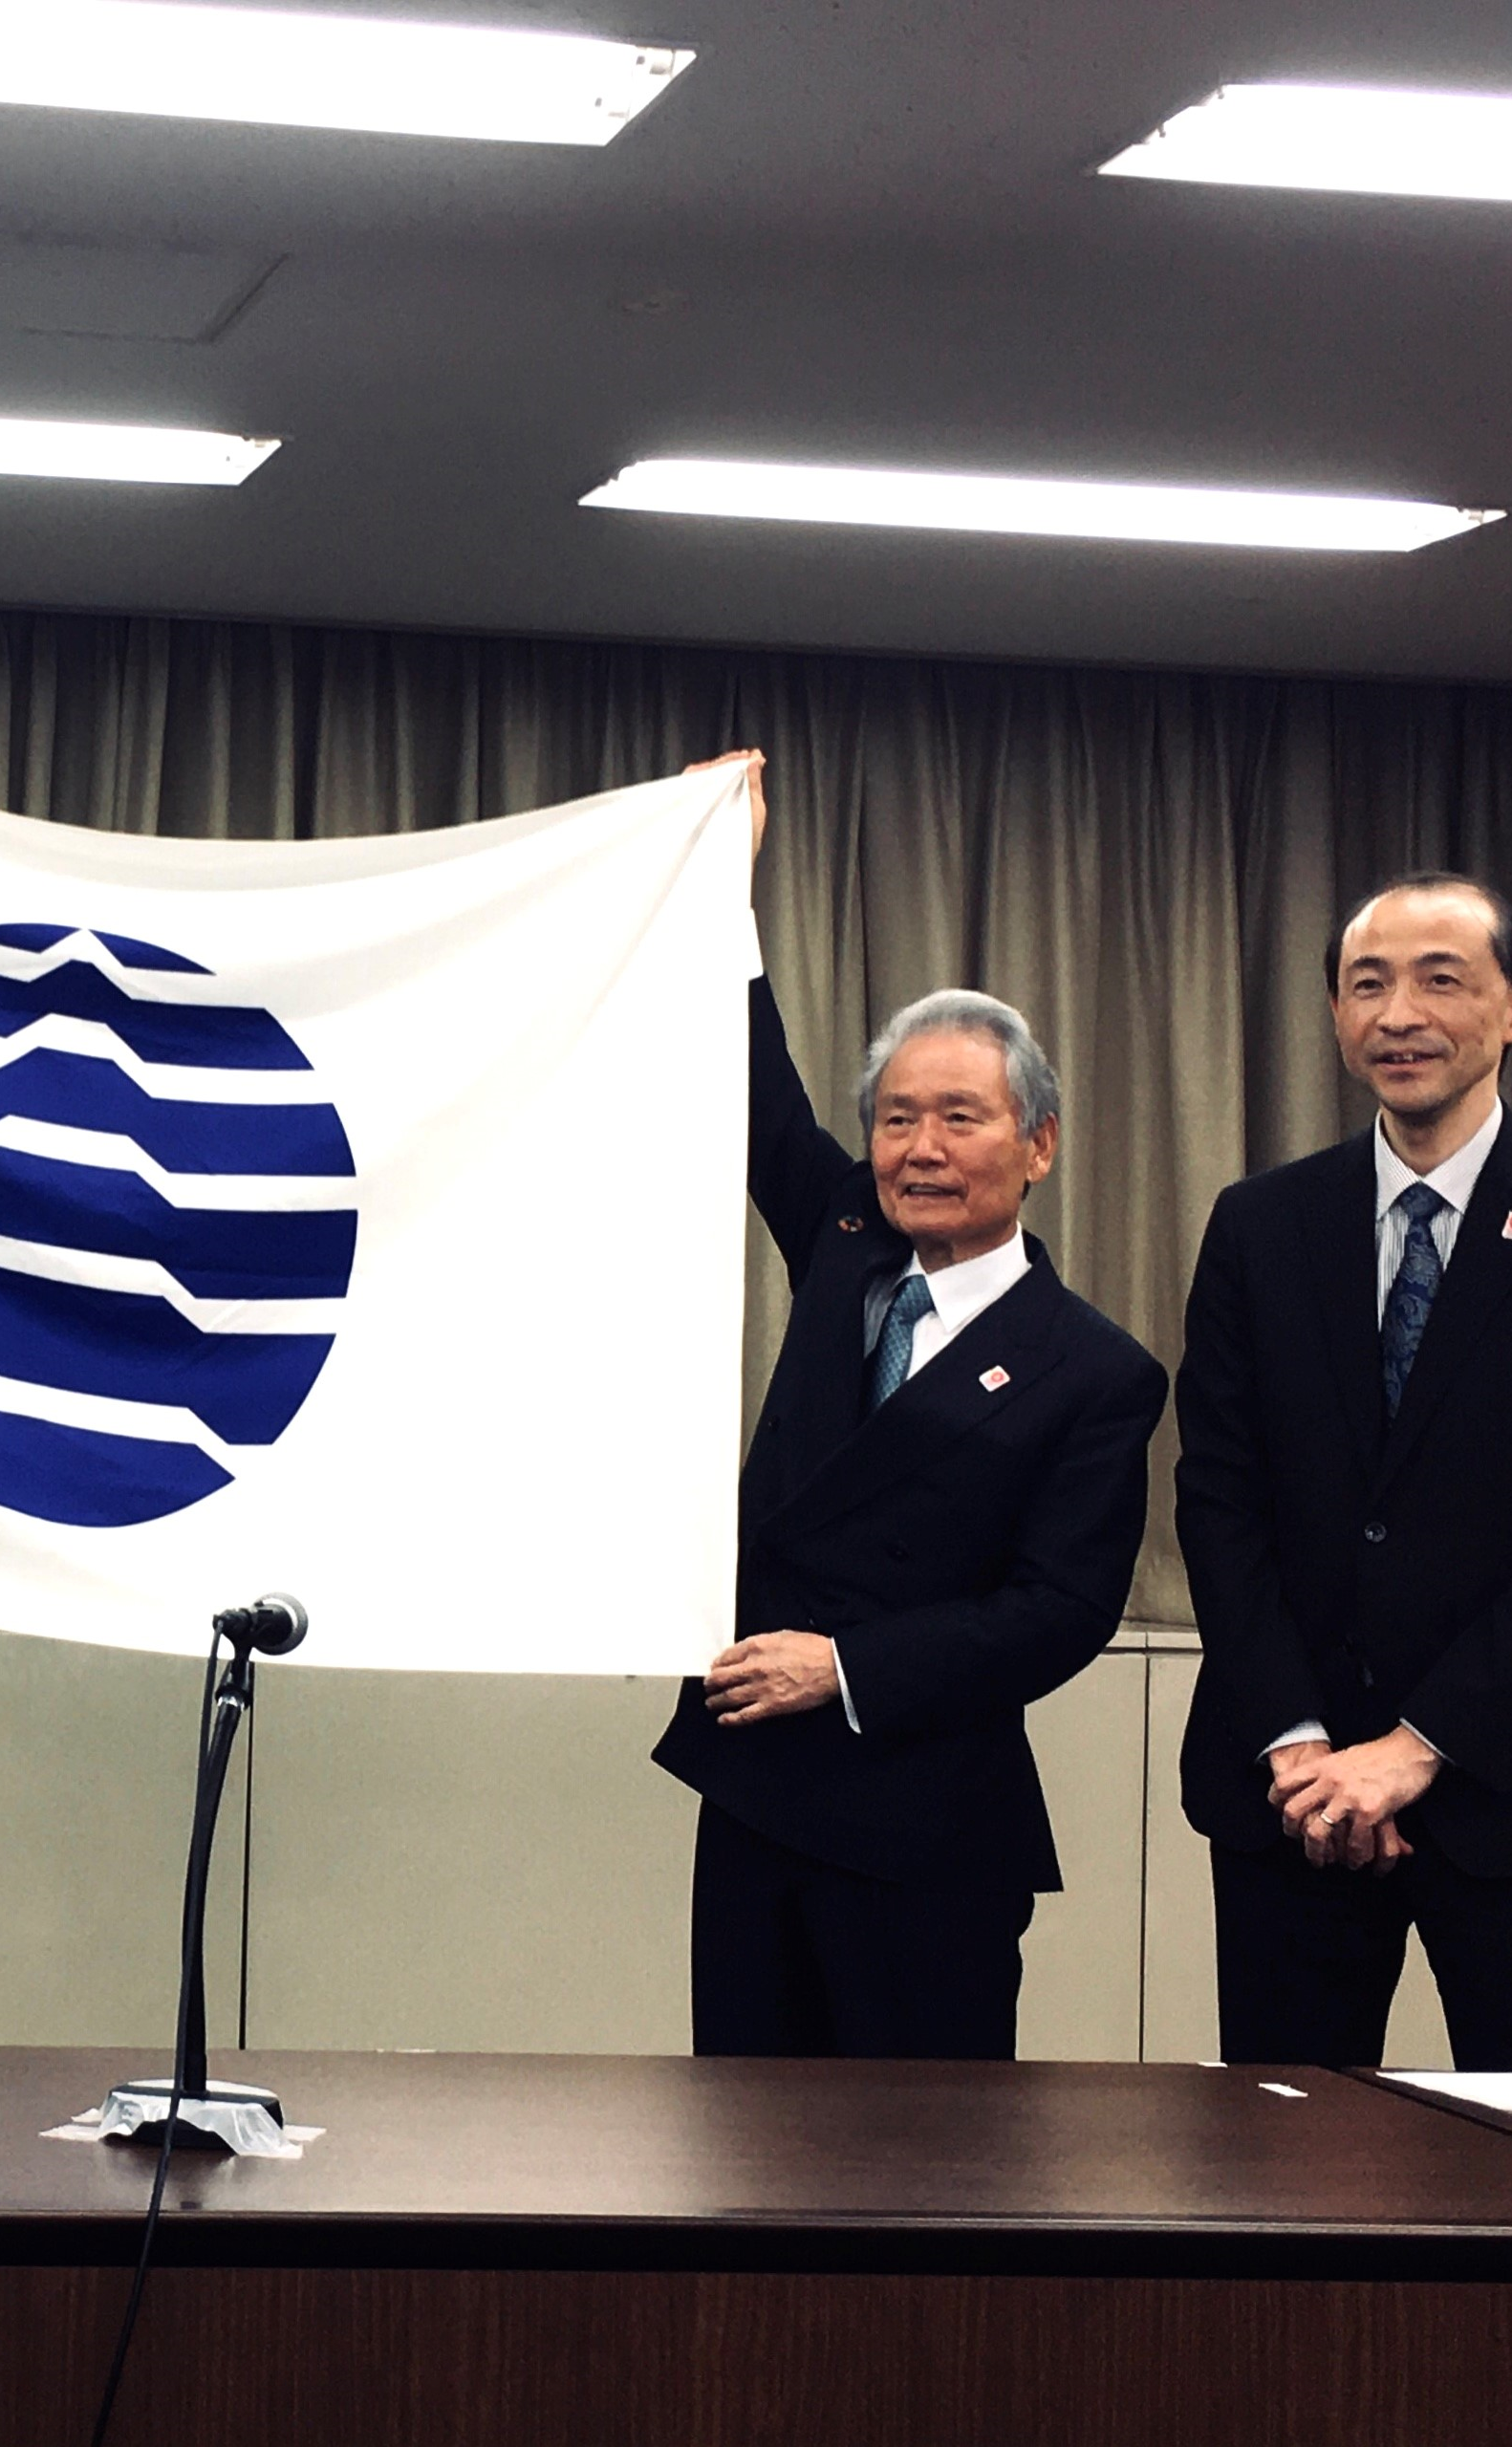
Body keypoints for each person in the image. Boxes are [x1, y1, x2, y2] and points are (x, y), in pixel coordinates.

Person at [651, 783, 1167, 2059]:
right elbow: (754, 1086)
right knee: (742, 2152)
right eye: (896, 1118)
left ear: (1037, 1146)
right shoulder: (842, 1243)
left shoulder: (1095, 1369)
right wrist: (727, 886)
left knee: (917, 2179)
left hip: (929, 1823)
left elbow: (1058, 1613)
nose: (920, 1148)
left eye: (959, 1118)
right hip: (759, 1792)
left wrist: (844, 1669)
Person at [1175, 872, 1512, 2071]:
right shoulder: (1260, 1224)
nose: (1396, 1011)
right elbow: (1217, 1499)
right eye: (1366, 982)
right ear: (1334, 1014)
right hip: (1289, 1802)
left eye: (1437, 978)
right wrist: (1299, 1743)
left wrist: (1416, 1747)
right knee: (1277, 2171)